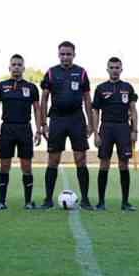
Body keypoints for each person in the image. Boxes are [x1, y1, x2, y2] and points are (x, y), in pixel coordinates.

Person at [39, 41, 95, 209]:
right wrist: (43, 123)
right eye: (62, 54)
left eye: (68, 54)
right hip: (57, 119)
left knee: (81, 159)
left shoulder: (81, 72)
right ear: (58, 55)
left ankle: (85, 200)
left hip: (77, 119)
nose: (65, 57)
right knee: (53, 159)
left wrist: (90, 124)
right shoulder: (51, 72)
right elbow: (44, 99)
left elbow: (87, 99)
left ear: (74, 55)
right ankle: (48, 200)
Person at [0, 54, 43, 210]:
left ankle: (28, 202)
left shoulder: (31, 88)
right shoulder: (1, 86)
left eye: (19, 64)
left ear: (23, 68)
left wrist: (38, 131)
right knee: (4, 166)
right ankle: (1, 202)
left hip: (24, 129)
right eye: (14, 64)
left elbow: (37, 110)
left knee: (26, 166)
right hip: (7, 129)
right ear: (9, 67)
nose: (16, 67)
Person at [91, 57, 138, 211]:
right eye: (112, 67)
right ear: (107, 69)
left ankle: (125, 202)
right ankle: (101, 202)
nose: (114, 70)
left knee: (123, 164)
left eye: (117, 67)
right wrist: (96, 133)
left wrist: (134, 130)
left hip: (123, 128)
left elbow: (133, 110)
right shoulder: (100, 88)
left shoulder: (128, 87)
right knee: (104, 163)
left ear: (121, 69)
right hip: (106, 128)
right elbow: (95, 111)